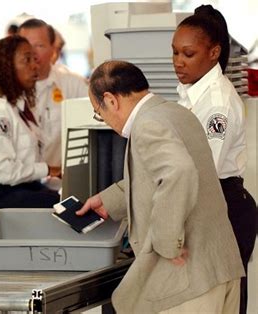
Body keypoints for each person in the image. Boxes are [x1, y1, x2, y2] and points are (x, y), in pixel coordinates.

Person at [77, 60, 244, 313]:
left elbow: (179, 171)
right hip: (219, 268)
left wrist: (167, 242)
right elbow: (163, 174)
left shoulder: (147, 125)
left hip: (188, 278)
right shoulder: (176, 113)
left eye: (98, 112)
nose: (104, 120)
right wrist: (110, 200)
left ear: (111, 100)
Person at [172, 7, 256, 313]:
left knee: (225, 304)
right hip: (208, 204)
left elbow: (204, 169)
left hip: (224, 206)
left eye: (188, 53)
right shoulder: (191, 92)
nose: (178, 61)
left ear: (214, 52)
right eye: (175, 52)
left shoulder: (217, 103)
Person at [0, 35, 61, 222]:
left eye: (34, 60)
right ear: (7, 67)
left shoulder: (17, 107)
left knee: (67, 200)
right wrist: (47, 169)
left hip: (15, 189)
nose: (34, 66)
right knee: (61, 206)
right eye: (27, 60)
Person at [18, 18, 88, 168]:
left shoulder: (73, 84)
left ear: (53, 50)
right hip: (17, 184)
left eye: (40, 46)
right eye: (26, 46)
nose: (32, 53)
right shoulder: (5, 88)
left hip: (60, 184)